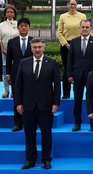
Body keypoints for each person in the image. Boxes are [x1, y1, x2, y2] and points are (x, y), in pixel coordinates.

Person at [13, 37, 61, 170]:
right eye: (35, 47)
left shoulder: (51, 63)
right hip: (27, 105)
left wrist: (56, 103)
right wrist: (18, 103)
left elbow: (57, 84)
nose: (37, 49)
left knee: (46, 134)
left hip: (46, 106)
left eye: (40, 47)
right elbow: (18, 85)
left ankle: (46, 159)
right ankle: (30, 160)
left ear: (43, 48)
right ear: (31, 48)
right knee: (29, 134)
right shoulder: (24, 63)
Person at [67, 19, 93, 132]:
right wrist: (69, 74)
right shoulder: (74, 42)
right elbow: (70, 59)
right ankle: (77, 123)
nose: (85, 29)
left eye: (87, 27)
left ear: (90, 28)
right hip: (77, 75)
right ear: (79, 28)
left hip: (92, 76)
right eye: (83, 27)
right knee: (77, 100)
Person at [6, 17, 33, 132]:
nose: (23, 28)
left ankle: (30, 122)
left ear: (29, 28)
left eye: (25, 26)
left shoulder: (34, 41)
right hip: (16, 73)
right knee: (17, 98)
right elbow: (8, 60)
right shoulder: (12, 42)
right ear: (18, 28)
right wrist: (8, 74)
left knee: (30, 98)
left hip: (31, 74)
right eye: (21, 26)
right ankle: (18, 123)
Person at [57, 0, 87, 99]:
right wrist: (66, 44)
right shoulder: (63, 17)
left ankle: (82, 90)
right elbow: (59, 32)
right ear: (68, 5)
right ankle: (66, 92)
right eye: (71, 4)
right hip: (67, 45)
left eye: (74, 4)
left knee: (80, 67)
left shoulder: (82, 16)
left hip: (79, 44)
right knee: (67, 68)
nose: (73, 6)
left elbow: (84, 30)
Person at [0, 5, 18, 98]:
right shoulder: (1, 25)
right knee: (5, 71)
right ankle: (6, 91)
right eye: (7, 12)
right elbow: (0, 39)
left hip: (16, 53)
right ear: (5, 14)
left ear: (14, 13)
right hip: (4, 52)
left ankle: (15, 91)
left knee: (15, 71)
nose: (9, 14)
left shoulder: (18, 24)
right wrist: (3, 49)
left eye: (11, 12)